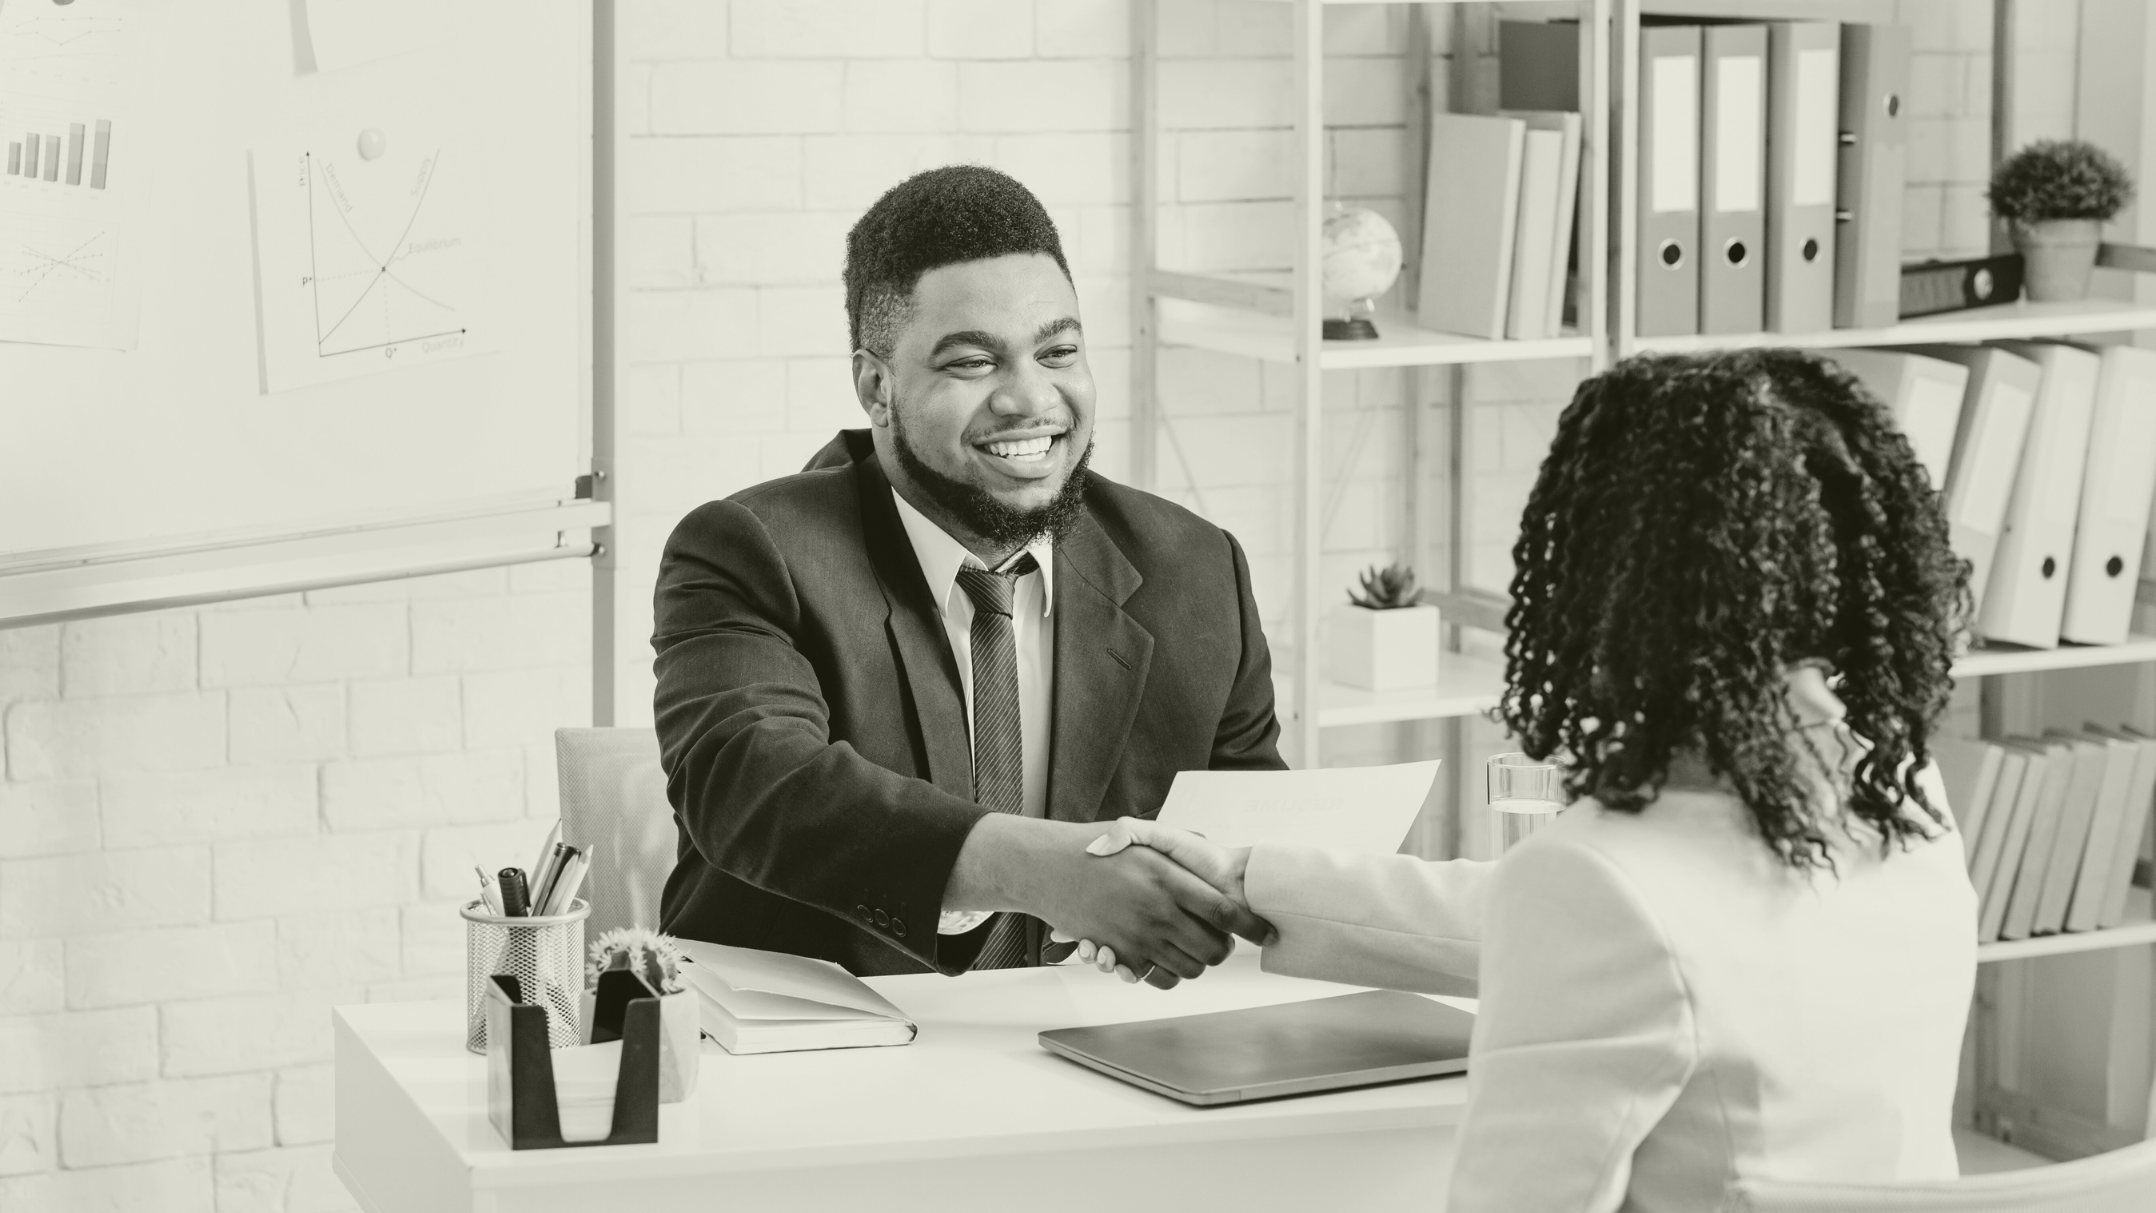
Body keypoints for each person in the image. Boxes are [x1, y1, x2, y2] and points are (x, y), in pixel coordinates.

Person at [1077, 349, 1980, 1211]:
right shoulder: (1904, 796)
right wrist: (1250, 879)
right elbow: (1578, 933)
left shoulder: (1600, 880)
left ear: (1609, 576)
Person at [649, 166, 1278, 983]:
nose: (1030, 399)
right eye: (974, 362)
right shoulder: (752, 550)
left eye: (1059, 352)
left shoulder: (1194, 567)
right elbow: (758, 785)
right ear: (877, 387)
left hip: (1104, 1038)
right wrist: (1047, 872)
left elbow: (1253, 838)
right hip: (818, 1045)